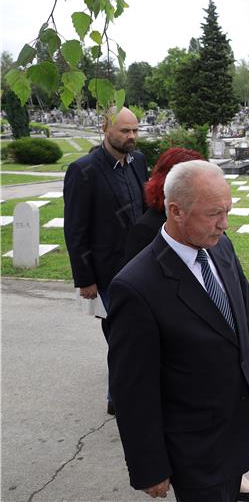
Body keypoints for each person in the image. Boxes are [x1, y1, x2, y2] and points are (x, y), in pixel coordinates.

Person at [108, 160, 249, 501]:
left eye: (227, 211)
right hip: (192, 448)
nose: (224, 224)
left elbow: (246, 319)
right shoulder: (136, 287)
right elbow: (133, 391)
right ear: (175, 211)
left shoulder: (220, 247)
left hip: (233, 432)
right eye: (213, 214)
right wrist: (149, 466)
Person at [63, 106, 147, 415]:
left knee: (139, 334)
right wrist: (84, 278)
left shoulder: (138, 161)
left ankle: (138, 386)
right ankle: (119, 397)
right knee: (121, 336)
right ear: (105, 128)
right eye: (125, 131)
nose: (131, 137)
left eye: (135, 130)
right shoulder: (83, 170)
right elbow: (75, 228)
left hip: (143, 266)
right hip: (109, 271)